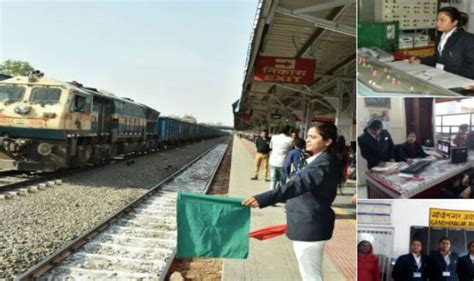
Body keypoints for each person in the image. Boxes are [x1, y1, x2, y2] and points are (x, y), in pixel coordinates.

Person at [243, 123, 341, 281]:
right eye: (308, 136)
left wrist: (262, 199)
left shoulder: (322, 164)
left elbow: (296, 185)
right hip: (308, 224)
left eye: (313, 137)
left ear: (327, 141)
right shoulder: (319, 160)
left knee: (311, 276)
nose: (307, 140)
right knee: (309, 274)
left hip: (310, 227)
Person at [409, 7, 474, 79]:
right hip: (442, 76)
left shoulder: (468, 39)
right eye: (437, 20)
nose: (438, 23)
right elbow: (438, 58)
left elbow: (471, 69)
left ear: (454, 23)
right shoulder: (440, 37)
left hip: (459, 80)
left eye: (442, 20)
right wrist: (420, 60)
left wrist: (449, 75)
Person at [268, 125, 293, 190]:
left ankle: (271, 194)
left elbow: (271, 147)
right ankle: (281, 195)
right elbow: (290, 150)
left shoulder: (274, 137)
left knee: (273, 180)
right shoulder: (290, 139)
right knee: (282, 181)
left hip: (273, 161)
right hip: (283, 162)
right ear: (288, 131)